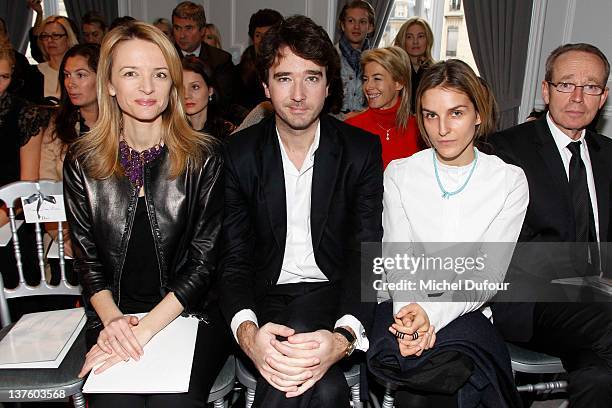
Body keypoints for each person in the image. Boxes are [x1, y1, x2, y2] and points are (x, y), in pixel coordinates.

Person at [64, 21, 230, 407]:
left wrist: (144, 331)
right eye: (130, 73)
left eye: (159, 74)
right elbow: (87, 263)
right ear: (109, 83)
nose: (147, 87)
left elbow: (203, 265)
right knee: (114, 403)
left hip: (189, 315)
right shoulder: (82, 159)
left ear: (172, 82)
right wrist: (115, 322)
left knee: (175, 403)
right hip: (112, 316)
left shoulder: (204, 157)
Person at [220, 15, 382, 408]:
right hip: (265, 300)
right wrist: (249, 336)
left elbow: (367, 254)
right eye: (283, 78)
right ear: (265, 86)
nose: (297, 94)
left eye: (311, 78)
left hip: (334, 296)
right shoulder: (238, 155)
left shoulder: (360, 150)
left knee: (295, 370)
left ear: (329, 86)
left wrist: (343, 339)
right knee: (324, 388)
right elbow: (233, 260)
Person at [369, 59, 527, 408]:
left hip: (467, 309)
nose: (442, 129)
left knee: (446, 383)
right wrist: (411, 314)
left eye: (456, 113)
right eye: (430, 115)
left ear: (479, 114)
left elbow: (487, 274)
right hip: (402, 302)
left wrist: (432, 315)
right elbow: (397, 258)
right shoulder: (401, 173)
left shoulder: (508, 181)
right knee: (417, 387)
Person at [489, 43, 612, 408]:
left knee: (599, 378)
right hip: (532, 301)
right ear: (546, 90)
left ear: (603, 97)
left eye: (590, 87)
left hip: (599, 306)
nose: (577, 97)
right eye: (565, 84)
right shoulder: (505, 151)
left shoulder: (609, 155)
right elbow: (504, 249)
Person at [345, 46, 422, 168]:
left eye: (377, 78)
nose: (368, 86)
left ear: (399, 83)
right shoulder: (351, 127)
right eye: (365, 79)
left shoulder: (419, 130)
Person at [172, 1, 235, 110]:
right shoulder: (165, 58)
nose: (182, 35)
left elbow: (225, 102)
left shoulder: (220, 60)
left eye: (188, 28)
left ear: (202, 31)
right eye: (177, 28)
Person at [234, 8, 283, 111]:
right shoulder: (238, 73)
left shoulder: (285, 71)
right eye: (258, 35)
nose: (262, 41)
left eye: (267, 35)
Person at [24, 15, 79, 105]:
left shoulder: (81, 71)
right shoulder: (32, 73)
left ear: (68, 38)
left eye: (56, 35)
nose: (50, 40)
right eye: (45, 36)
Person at [335, 0, 375, 114]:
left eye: (362, 22)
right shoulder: (330, 56)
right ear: (343, 25)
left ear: (370, 27)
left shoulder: (378, 62)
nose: (356, 26)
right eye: (351, 21)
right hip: (334, 125)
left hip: (365, 125)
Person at [182, 56, 234, 139]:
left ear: (210, 90)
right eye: (181, 88)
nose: (186, 95)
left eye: (195, 87)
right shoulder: (167, 133)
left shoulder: (228, 133)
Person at [394, 17, 435, 113]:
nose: (415, 42)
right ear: (403, 40)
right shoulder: (394, 70)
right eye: (409, 37)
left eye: (420, 36)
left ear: (428, 40)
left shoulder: (436, 71)